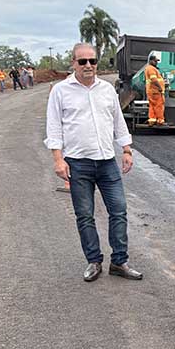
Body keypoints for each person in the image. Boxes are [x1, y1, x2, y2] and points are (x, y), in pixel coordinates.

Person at [45, 43, 143, 282]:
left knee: (119, 211)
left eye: (93, 61)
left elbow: (118, 120)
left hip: (107, 161)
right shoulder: (60, 91)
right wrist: (58, 159)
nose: (88, 65)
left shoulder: (107, 89)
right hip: (78, 163)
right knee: (85, 215)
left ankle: (119, 262)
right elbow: (54, 127)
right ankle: (94, 261)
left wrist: (127, 149)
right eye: (83, 61)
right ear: (73, 63)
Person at [143, 52, 166, 126]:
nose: (156, 62)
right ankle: (160, 121)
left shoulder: (149, 68)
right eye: (155, 61)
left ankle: (152, 120)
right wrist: (160, 88)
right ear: (150, 61)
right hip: (155, 91)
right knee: (159, 106)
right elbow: (154, 80)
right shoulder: (151, 69)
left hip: (151, 91)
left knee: (152, 106)